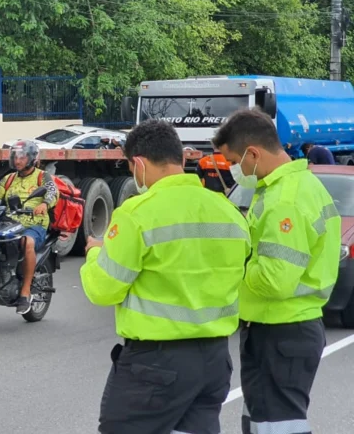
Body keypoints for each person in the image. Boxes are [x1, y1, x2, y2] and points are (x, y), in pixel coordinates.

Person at [80, 119, 250, 434]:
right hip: (214, 360)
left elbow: (103, 289)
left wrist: (94, 253)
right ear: (182, 159)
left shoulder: (137, 213)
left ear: (139, 165)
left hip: (155, 365)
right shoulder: (228, 211)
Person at [213, 109, 340, 434]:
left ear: (253, 153)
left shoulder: (285, 200)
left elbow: (274, 279)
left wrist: (232, 267)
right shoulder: (296, 186)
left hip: (281, 331)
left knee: (276, 428)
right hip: (285, 330)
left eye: (233, 161)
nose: (232, 170)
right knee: (265, 424)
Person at [0, 140, 57, 314]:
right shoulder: (9, 178)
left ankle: (25, 292)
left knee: (27, 242)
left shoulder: (42, 176)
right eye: (15, 156)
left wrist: (44, 204)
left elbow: (52, 192)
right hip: (11, 221)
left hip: (34, 223)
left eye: (21, 157)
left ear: (32, 158)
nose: (17, 160)